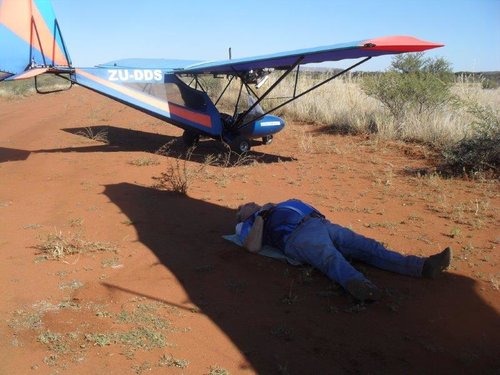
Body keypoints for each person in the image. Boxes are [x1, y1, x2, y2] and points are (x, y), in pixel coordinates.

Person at [235, 199, 452, 301]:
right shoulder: (249, 223)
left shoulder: (274, 206)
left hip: (322, 224)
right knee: (330, 258)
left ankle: (423, 267)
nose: (250, 202)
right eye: (244, 205)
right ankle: (361, 286)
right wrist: (260, 216)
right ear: (241, 215)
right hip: (297, 235)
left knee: (369, 247)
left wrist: (270, 207)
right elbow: (252, 247)